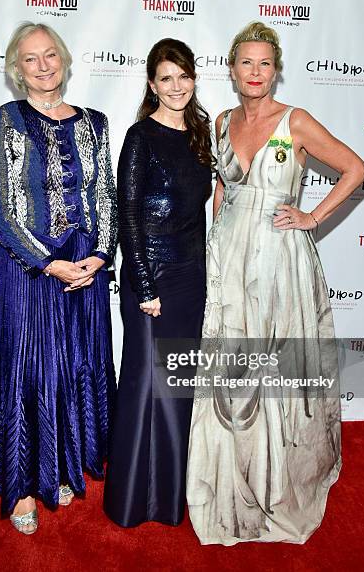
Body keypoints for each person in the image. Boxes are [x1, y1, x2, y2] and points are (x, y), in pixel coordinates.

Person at [186, 21, 364, 545]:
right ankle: (232, 476)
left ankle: (281, 481)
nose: (256, 72)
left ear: (276, 69)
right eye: (247, 62)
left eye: (266, 63)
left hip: (281, 261)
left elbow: (355, 168)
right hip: (230, 261)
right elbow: (222, 190)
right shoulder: (220, 121)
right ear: (232, 66)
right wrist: (211, 252)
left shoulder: (297, 121)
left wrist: (312, 217)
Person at [0, 22, 117, 534]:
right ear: (17, 69)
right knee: (28, 373)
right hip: (27, 269)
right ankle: (22, 487)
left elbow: (105, 198)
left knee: (73, 368)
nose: (43, 65)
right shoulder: (3, 121)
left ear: (65, 59)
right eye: (30, 58)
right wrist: (48, 261)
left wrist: (99, 257)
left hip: (85, 270)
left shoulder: (95, 123)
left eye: (50, 54)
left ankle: (56, 465)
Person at [103, 38, 213, 527]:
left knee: (177, 386)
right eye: (166, 78)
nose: (176, 86)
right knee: (145, 382)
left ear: (193, 79)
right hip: (151, 276)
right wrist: (145, 286)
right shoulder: (139, 137)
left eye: (183, 76)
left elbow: (201, 214)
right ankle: (131, 499)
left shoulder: (200, 134)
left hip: (191, 276)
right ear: (152, 84)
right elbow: (126, 214)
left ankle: (167, 497)